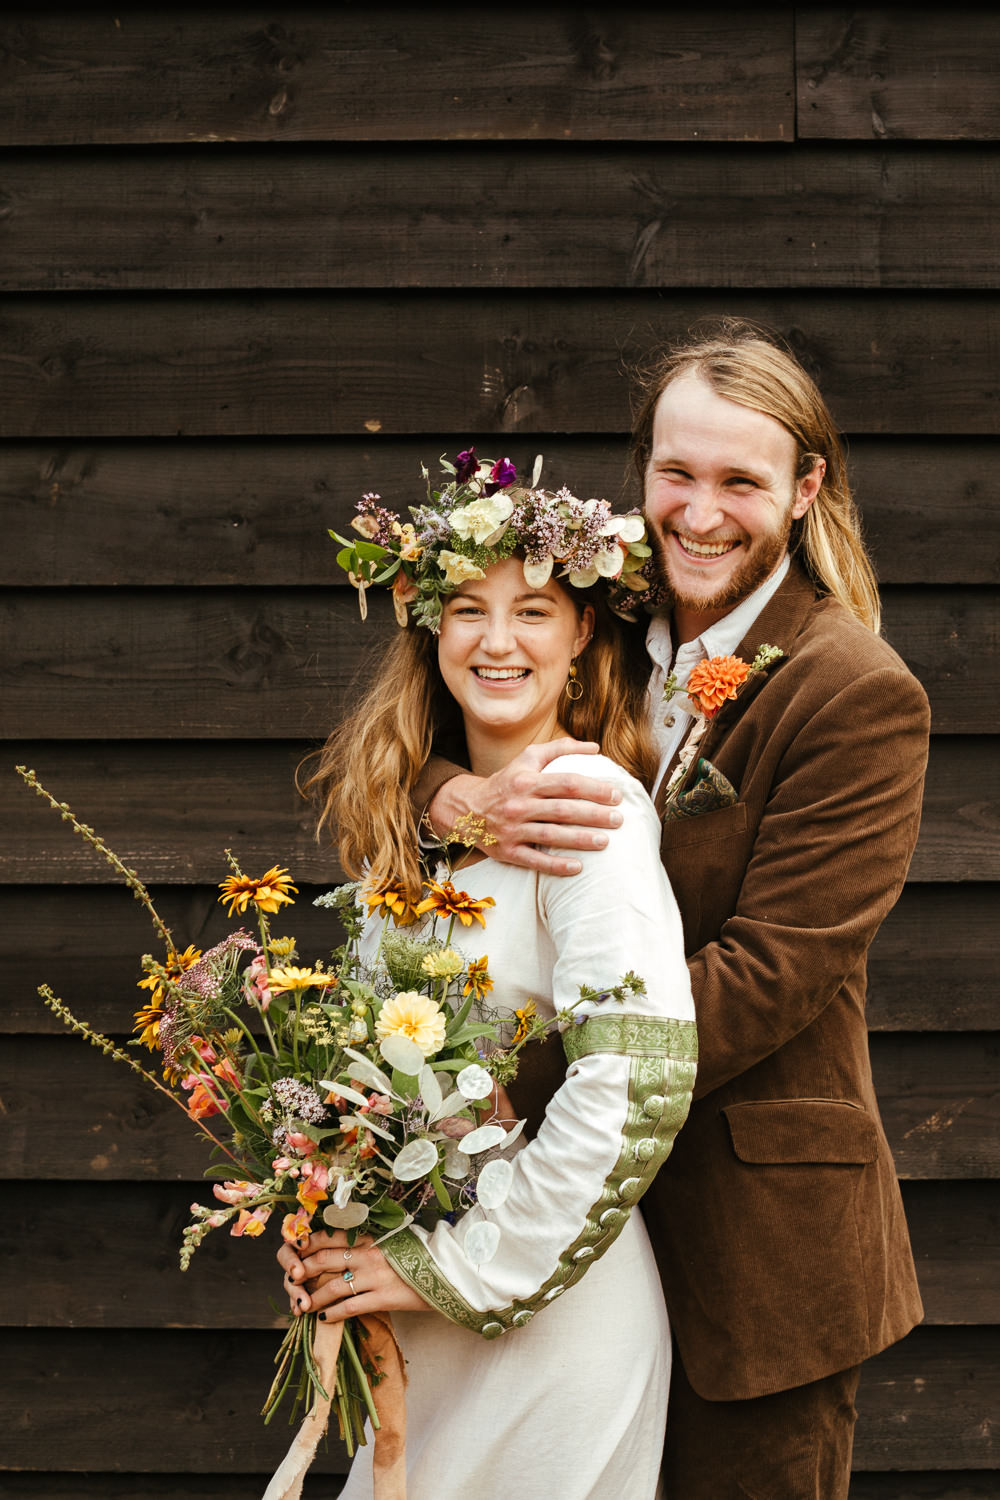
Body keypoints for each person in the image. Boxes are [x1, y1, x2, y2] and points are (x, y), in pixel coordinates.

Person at [415, 325, 931, 1499]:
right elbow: (410, 726)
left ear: (805, 492)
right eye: (675, 474)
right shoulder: (588, 609)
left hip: (750, 1248)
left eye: (741, 482)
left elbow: (769, 975)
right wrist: (449, 794)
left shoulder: (855, 693)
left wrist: (509, 1090)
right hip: (565, 1235)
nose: (699, 514)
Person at [277, 461, 697, 1500]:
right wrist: (328, 1226)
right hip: (424, 1314)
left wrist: (456, 1272)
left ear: (581, 638)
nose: (497, 641)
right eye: (467, 609)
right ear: (429, 628)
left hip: (545, 1318)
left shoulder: (585, 807)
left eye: (533, 611)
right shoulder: (422, 826)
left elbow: (635, 1079)